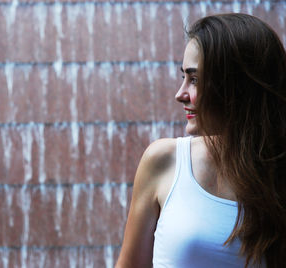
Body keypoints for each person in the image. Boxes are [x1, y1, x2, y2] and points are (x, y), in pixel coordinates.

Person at [116, 13, 286, 268]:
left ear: (236, 86)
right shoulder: (165, 161)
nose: (180, 94)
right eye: (183, 76)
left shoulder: (278, 176)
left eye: (194, 79)